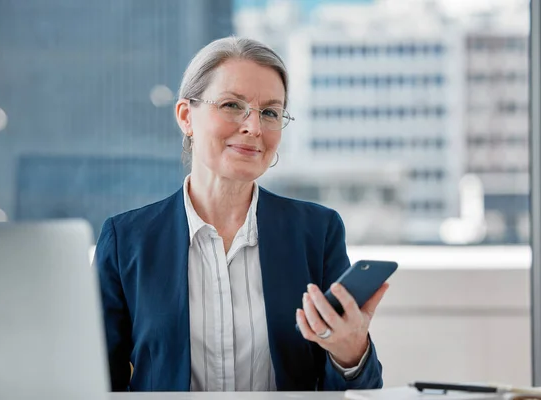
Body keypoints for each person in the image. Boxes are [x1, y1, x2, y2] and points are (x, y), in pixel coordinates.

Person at [95, 36, 389, 392]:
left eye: (270, 112)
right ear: (187, 116)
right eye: (233, 105)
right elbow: (94, 384)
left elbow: (357, 393)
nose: (254, 127)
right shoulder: (126, 241)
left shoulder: (317, 233)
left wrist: (350, 354)